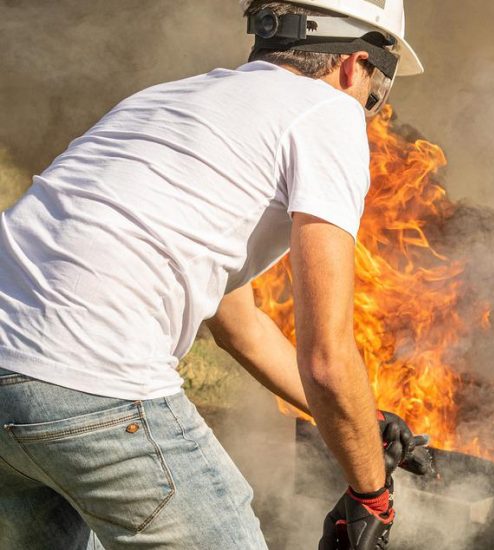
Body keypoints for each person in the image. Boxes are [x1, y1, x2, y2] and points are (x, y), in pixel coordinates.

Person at [0, 1, 432, 548]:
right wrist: (372, 495)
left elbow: (239, 327)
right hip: (93, 377)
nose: (368, 108)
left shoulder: (170, 100)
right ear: (353, 66)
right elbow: (327, 357)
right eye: (376, 92)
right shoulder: (329, 112)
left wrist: (363, 422)